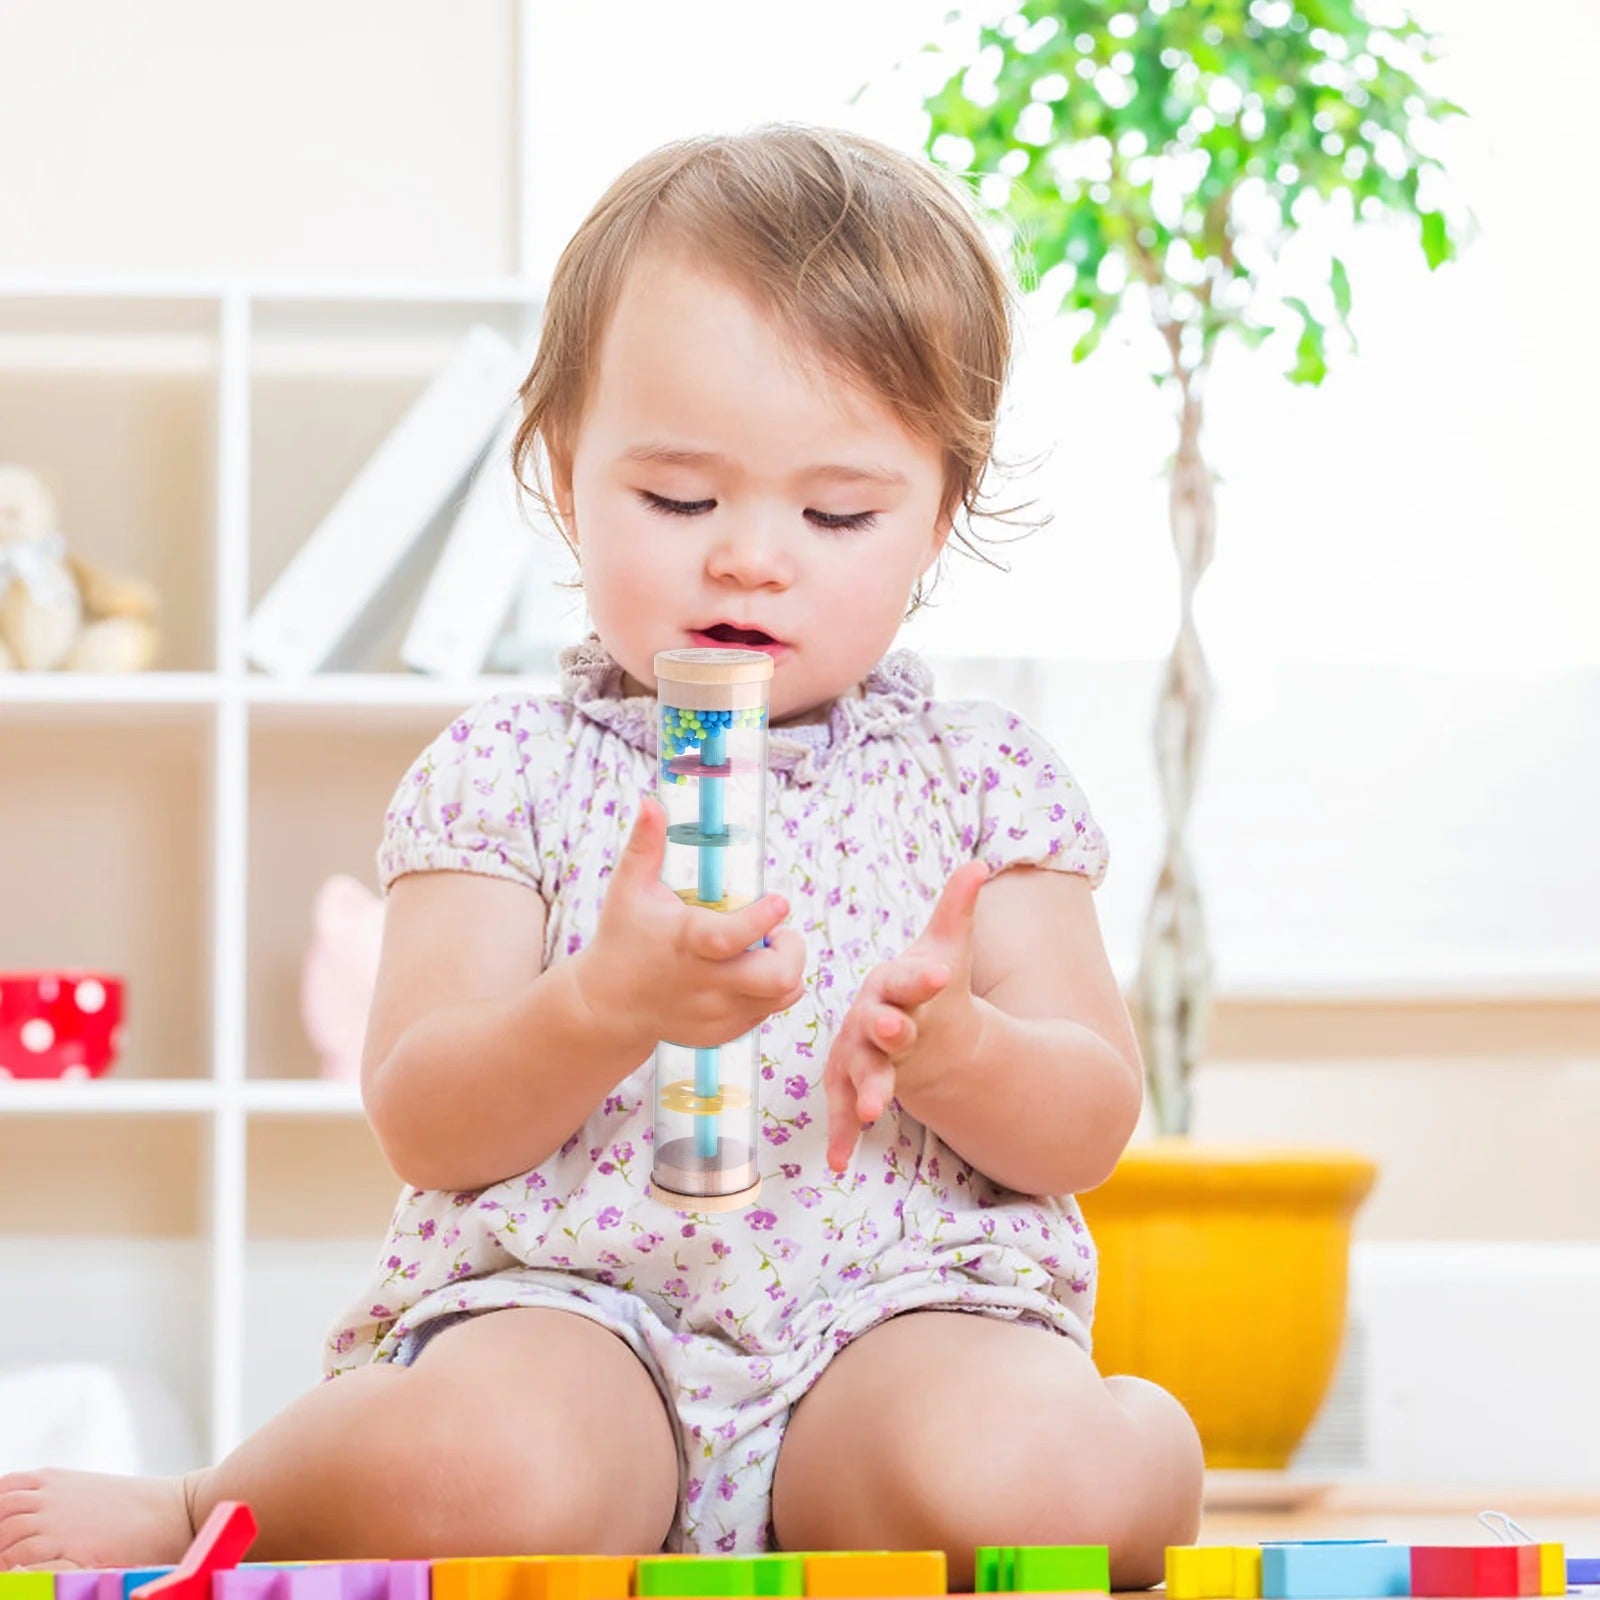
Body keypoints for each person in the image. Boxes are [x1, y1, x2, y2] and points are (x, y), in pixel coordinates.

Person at [0, 122, 1201, 1589]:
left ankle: (1117, 1434)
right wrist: (604, 1005)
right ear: (564, 476)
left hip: (901, 1320)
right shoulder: (508, 771)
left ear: (940, 514)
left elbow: (1087, 1119)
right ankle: (209, 1501)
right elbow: (426, 1117)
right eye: (678, 499)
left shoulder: (983, 777)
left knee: (1032, 1487)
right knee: (478, 1473)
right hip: (573, 1320)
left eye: (836, 512)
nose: (749, 556)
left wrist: (956, 1051)